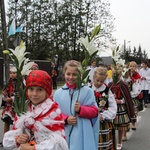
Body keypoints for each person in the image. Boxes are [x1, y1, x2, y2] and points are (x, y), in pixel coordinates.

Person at [3, 70, 68, 150]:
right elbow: (8, 140)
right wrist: (17, 139)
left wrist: (34, 148)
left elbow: (59, 144)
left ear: (47, 92)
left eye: (39, 90)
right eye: (31, 89)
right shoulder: (23, 108)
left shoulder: (52, 110)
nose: (34, 94)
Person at [53, 60, 99, 150]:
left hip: (82, 134)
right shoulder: (58, 93)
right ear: (64, 74)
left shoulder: (87, 91)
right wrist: (65, 119)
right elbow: (53, 114)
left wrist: (81, 110)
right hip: (64, 132)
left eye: (75, 74)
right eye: (68, 74)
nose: (71, 77)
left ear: (80, 75)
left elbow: (94, 112)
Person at [108, 67, 135, 150]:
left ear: (120, 75)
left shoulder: (123, 84)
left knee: (120, 127)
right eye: (114, 74)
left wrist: (120, 101)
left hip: (120, 108)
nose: (115, 76)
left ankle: (119, 142)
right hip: (111, 108)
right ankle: (112, 143)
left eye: (117, 75)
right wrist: (112, 98)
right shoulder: (110, 85)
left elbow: (127, 98)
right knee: (111, 126)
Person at [92, 67, 117, 150]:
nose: (99, 83)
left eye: (102, 81)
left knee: (103, 146)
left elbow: (113, 107)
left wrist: (103, 115)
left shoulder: (107, 91)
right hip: (89, 123)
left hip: (103, 124)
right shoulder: (87, 89)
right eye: (97, 80)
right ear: (93, 77)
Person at [0, 66, 17, 147]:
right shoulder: (8, 82)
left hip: (16, 107)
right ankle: (5, 140)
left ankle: (15, 140)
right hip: (8, 106)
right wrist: (5, 97)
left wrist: (12, 99)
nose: (12, 75)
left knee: (16, 124)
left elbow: (20, 95)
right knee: (6, 121)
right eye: (11, 73)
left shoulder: (20, 83)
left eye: (14, 73)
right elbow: (5, 91)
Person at [124, 61, 142, 131]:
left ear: (136, 67)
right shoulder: (126, 74)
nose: (132, 68)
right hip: (126, 93)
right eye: (130, 66)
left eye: (133, 66)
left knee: (134, 110)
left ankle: (133, 124)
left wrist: (133, 81)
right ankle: (127, 124)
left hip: (133, 94)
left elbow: (138, 85)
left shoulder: (137, 75)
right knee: (126, 109)